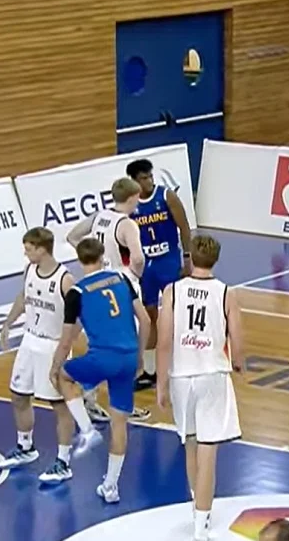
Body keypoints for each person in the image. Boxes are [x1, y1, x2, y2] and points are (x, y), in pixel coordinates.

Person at [155, 234, 244, 541]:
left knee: (191, 444)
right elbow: (237, 338)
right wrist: (239, 363)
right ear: (216, 260)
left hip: (182, 377)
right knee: (208, 452)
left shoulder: (172, 291)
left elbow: (164, 342)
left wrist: (161, 383)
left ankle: (198, 509)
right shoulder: (226, 292)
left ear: (190, 257)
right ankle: (200, 533)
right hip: (211, 375)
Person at [52, 238, 150, 504]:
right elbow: (145, 320)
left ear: (79, 259)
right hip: (128, 357)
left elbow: (67, 340)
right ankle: (111, 486)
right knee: (120, 423)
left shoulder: (77, 292)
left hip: (102, 357)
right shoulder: (122, 279)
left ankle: (87, 430)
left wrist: (55, 366)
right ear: (102, 255)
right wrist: (140, 357)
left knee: (64, 377)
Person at [0, 227, 81, 484]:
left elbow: (78, 318)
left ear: (43, 249)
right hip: (29, 341)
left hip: (53, 345)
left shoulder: (65, 279)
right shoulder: (29, 270)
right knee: (18, 394)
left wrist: (65, 347)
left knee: (59, 404)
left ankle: (63, 461)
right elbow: (24, 297)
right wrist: (8, 323)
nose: (26, 253)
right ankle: (26, 447)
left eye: (29, 249)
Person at [66, 177, 151, 423]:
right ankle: (121, 404)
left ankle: (91, 400)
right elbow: (138, 258)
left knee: (101, 342)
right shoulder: (127, 224)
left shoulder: (100, 216)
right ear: (132, 198)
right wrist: (134, 274)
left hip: (98, 283)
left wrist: (90, 258)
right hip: (121, 284)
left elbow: (73, 237)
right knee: (126, 344)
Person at [127, 158, 192, 391]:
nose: (149, 181)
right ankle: (151, 371)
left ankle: (182, 363)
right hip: (146, 267)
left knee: (177, 313)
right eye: (143, 178)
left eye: (150, 177)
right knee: (149, 315)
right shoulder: (131, 205)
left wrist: (187, 258)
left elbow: (184, 227)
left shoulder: (166, 196)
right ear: (134, 181)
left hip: (168, 262)